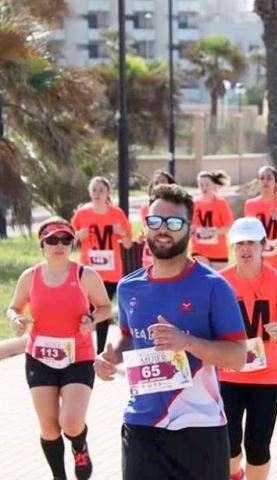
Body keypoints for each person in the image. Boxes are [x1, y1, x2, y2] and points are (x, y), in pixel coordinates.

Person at [93, 184, 247, 480]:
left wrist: (186, 341)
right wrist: (112, 355)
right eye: (155, 221)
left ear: (190, 228)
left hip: (200, 426)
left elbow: (238, 356)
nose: (163, 229)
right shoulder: (128, 287)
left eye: (174, 222)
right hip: (143, 425)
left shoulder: (213, 287)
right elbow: (128, 336)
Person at [7, 218, 112, 480]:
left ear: (72, 244)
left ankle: (79, 446)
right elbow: (13, 308)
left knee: (71, 422)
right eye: (52, 240)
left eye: (66, 240)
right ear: (42, 244)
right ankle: (59, 476)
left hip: (78, 355)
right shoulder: (30, 277)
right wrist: (15, 321)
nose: (59, 245)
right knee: (50, 427)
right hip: (40, 357)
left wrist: (92, 319)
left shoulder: (84, 275)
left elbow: (105, 307)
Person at [219, 218, 277, 480]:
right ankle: (235, 474)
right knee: (228, 445)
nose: (245, 249)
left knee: (258, 447)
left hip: (267, 377)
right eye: (239, 244)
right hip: (228, 375)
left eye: (251, 243)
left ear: (263, 246)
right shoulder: (220, 282)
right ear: (232, 248)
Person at [71, 176, 133, 353]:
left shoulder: (117, 214)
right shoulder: (82, 214)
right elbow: (68, 240)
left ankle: (98, 351)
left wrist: (121, 233)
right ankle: (86, 349)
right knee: (87, 310)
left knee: (102, 311)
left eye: (101, 190)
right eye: (94, 190)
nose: (97, 193)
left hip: (111, 271)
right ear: (90, 192)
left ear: (108, 193)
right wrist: (78, 236)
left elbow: (128, 244)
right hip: (88, 270)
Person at [244, 166, 277, 278]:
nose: (265, 181)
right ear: (258, 183)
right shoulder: (250, 205)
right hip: (257, 263)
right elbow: (247, 235)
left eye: (269, 178)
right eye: (262, 178)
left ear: (276, 183)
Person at [191, 170, 235, 270]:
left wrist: (213, 231)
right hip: (199, 249)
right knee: (203, 277)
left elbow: (229, 226)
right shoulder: (194, 204)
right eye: (201, 185)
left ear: (213, 185)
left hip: (218, 252)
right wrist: (193, 231)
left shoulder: (221, 203)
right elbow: (190, 225)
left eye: (207, 184)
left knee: (216, 282)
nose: (204, 187)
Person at [140, 170, 177, 268]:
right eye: (156, 182)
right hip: (150, 255)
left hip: (170, 253)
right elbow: (145, 229)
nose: (160, 184)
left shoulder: (177, 207)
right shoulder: (145, 207)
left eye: (163, 181)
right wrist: (142, 234)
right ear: (152, 187)